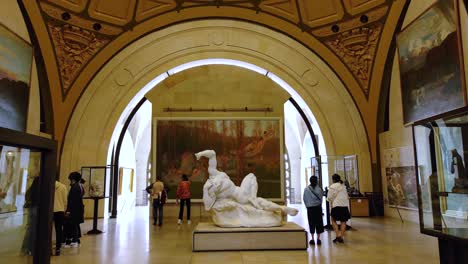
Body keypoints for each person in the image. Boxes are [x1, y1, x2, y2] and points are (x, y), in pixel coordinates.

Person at [327, 173, 350, 243]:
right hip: (344, 206)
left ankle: (337, 235)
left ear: (333, 179)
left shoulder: (332, 187)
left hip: (336, 206)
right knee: (343, 221)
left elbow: (329, 198)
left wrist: (329, 200)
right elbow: (347, 196)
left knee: (333, 220)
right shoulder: (343, 186)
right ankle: (341, 237)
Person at [303, 175, 324, 245]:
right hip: (317, 208)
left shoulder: (306, 189)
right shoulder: (319, 189)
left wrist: (307, 206)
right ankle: (318, 239)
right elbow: (321, 199)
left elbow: (304, 199)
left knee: (311, 222)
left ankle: (312, 239)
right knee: (319, 223)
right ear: (316, 181)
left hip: (310, 209)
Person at [65, 172, 84, 247]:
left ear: (73, 179)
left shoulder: (75, 187)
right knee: (75, 224)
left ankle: (75, 240)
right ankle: (76, 239)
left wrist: (69, 210)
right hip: (77, 208)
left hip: (74, 209)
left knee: (74, 224)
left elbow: (72, 200)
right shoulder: (78, 186)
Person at [53, 180, 68, 255]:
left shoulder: (48, 186)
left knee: (47, 230)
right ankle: (58, 248)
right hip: (60, 210)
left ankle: (47, 248)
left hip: (49, 211)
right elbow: (65, 200)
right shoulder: (63, 186)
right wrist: (64, 209)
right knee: (59, 229)